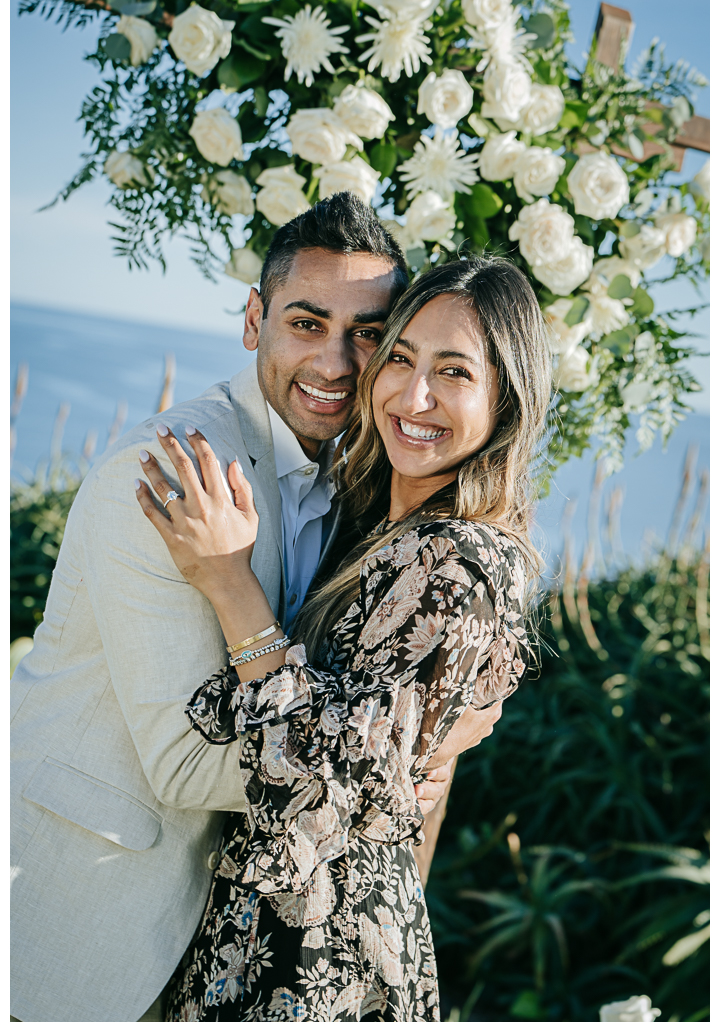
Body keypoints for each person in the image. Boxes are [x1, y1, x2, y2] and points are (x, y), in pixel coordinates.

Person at [9, 194, 491, 1023]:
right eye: (307, 323)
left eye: (368, 334)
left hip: (225, 944)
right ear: (253, 321)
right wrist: (390, 765)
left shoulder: (354, 482)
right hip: (89, 912)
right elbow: (184, 765)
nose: (337, 363)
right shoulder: (168, 477)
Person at [134, 255, 552, 1021]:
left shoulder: (463, 559)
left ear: (505, 401)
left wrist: (230, 585)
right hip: (260, 929)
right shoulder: (370, 524)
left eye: (454, 373)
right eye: (399, 356)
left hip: (325, 960)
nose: (413, 394)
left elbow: (318, 789)